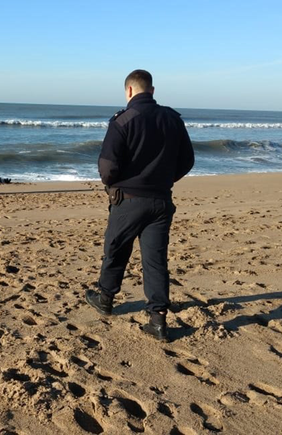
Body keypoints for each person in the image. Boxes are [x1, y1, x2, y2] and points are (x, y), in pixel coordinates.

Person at [85, 69, 194, 342]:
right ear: (152, 91)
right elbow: (188, 160)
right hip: (161, 199)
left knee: (116, 248)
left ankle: (106, 298)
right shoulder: (172, 119)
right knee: (156, 260)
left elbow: (107, 165)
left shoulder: (123, 120)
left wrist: (113, 185)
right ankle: (158, 319)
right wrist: (165, 179)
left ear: (129, 91)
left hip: (128, 199)